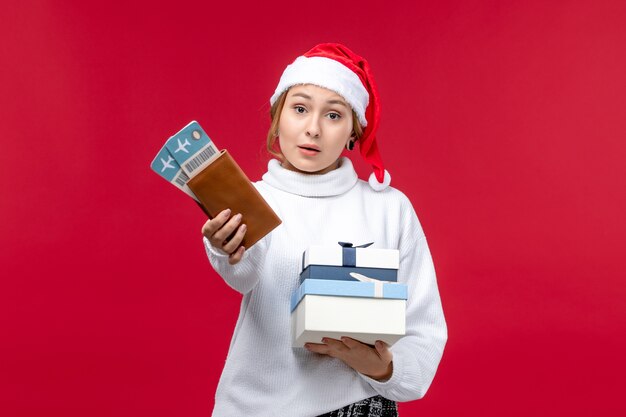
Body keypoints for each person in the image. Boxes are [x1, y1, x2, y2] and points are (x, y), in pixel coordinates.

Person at [201, 43, 447, 417]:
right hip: (255, 406)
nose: (313, 128)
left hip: (358, 404)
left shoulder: (388, 208)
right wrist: (227, 251)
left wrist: (380, 367)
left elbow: (423, 329)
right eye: (300, 109)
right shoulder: (253, 201)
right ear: (277, 118)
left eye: (333, 115)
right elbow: (244, 276)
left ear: (353, 133)